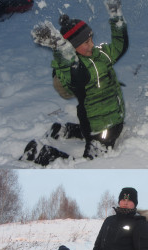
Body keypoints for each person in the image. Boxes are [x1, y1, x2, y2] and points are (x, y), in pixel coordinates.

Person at [32, 0, 128, 160]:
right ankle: (41, 153)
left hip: (113, 121)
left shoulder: (100, 54)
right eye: (85, 42)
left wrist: (115, 14)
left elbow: (120, 45)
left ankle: (66, 130)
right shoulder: (72, 68)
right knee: (90, 165)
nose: (92, 45)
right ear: (72, 47)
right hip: (100, 128)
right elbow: (76, 77)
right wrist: (64, 51)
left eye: (91, 39)